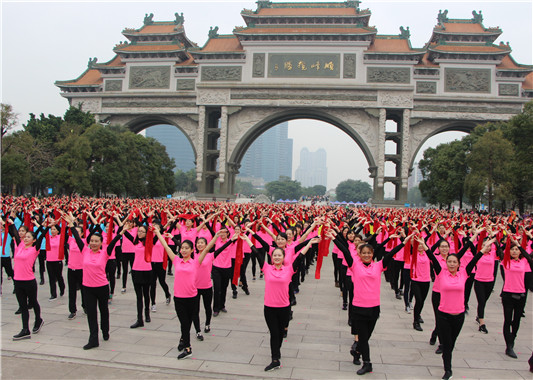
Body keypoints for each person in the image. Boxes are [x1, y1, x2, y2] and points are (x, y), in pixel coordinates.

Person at [329, 228, 405, 375]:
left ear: (372, 254)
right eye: (363, 253)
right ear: (359, 254)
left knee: (366, 337)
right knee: (364, 338)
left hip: (374, 308)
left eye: (369, 253)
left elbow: (390, 254)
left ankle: (357, 351)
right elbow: (344, 250)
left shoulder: (378, 266)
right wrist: (333, 237)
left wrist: (404, 242)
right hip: (358, 307)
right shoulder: (354, 265)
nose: (366, 255)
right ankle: (367, 363)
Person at [244, 226, 319, 372]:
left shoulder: (289, 269)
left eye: (280, 256)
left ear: (283, 257)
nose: (277, 257)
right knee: (274, 333)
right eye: (275, 256)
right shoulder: (266, 268)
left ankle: (276, 354)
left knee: (279, 333)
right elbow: (256, 252)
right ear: (272, 257)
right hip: (270, 307)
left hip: (284, 307)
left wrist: (310, 243)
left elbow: (300, 256)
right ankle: (275, 359)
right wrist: (247, 238)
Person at [153, 228, 225, 360]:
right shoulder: (176, 260)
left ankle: (187, 346)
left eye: (187, 248)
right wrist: (158, 233)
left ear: (192, 250)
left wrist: (215, 237)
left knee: (187, 323)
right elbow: (165, 245)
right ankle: (186, 345)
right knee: (184, 323)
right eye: (182, 248)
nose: (184, 250)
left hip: (192, 297)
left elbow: (208, 247)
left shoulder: (196, 262)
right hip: (179, 298)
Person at [424, 234, 487, 380]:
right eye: (449, 262)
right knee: (446, 343)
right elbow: (432, 258)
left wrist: (484, 246)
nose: (452, 264)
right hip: (443, 314)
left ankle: (446, 356)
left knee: (451, 342)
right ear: (446, 263)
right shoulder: (441, 273)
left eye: (454, 262)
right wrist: (424, 244)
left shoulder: (464, 274)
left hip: (459, 315)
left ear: (459, 264)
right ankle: (448, 369)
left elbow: (476, 258)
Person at [65, 213, 121, 349]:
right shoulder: (84, 251)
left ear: (101, 243)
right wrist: (71, 225)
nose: (94, 243)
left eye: (97, 241)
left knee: (104, 311)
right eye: (92, 241)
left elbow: (113, 241)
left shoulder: (105, 252)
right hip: (88, 287)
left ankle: (105, 331)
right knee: (91, 313)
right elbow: (77, 238)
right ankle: (93, 339)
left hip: (102, 287)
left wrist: (121, 231)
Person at [8, 215, 46, 340]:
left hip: (29, 281)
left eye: (28, 237)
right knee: (23, 306)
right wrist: (10, 222)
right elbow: (13, 231)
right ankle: (25, 330)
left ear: (33, 240)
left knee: (33, 302)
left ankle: (38, 319)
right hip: (18, 281)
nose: (25, 238)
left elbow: (41, 235)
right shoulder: (19, 246)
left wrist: (45, 226)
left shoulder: (35, 249)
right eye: (25, 236)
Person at [499, 235, 533, 358]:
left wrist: (519, 244)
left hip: (521, 294)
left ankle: (512, 339)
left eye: (516, 249)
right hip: (508, 294)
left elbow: (529, 258)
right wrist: (509, 240)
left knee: (516, 320)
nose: (514, 251)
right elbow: (502, 249)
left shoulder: (524, 262)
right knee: (507, 320)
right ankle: (509, 346)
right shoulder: (506, 261)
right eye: (512, 249)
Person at [121, 221, 154, 328]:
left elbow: (157, 236)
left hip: (147, 271)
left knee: (146, 294)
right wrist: (124, 226)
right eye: (138, 231)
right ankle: (139, 319)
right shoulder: (135, 241)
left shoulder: (150, 242)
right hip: (136, 270)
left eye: (142, 231)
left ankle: (147, 314)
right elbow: (125, 233)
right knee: (139, 296)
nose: (139, 233)